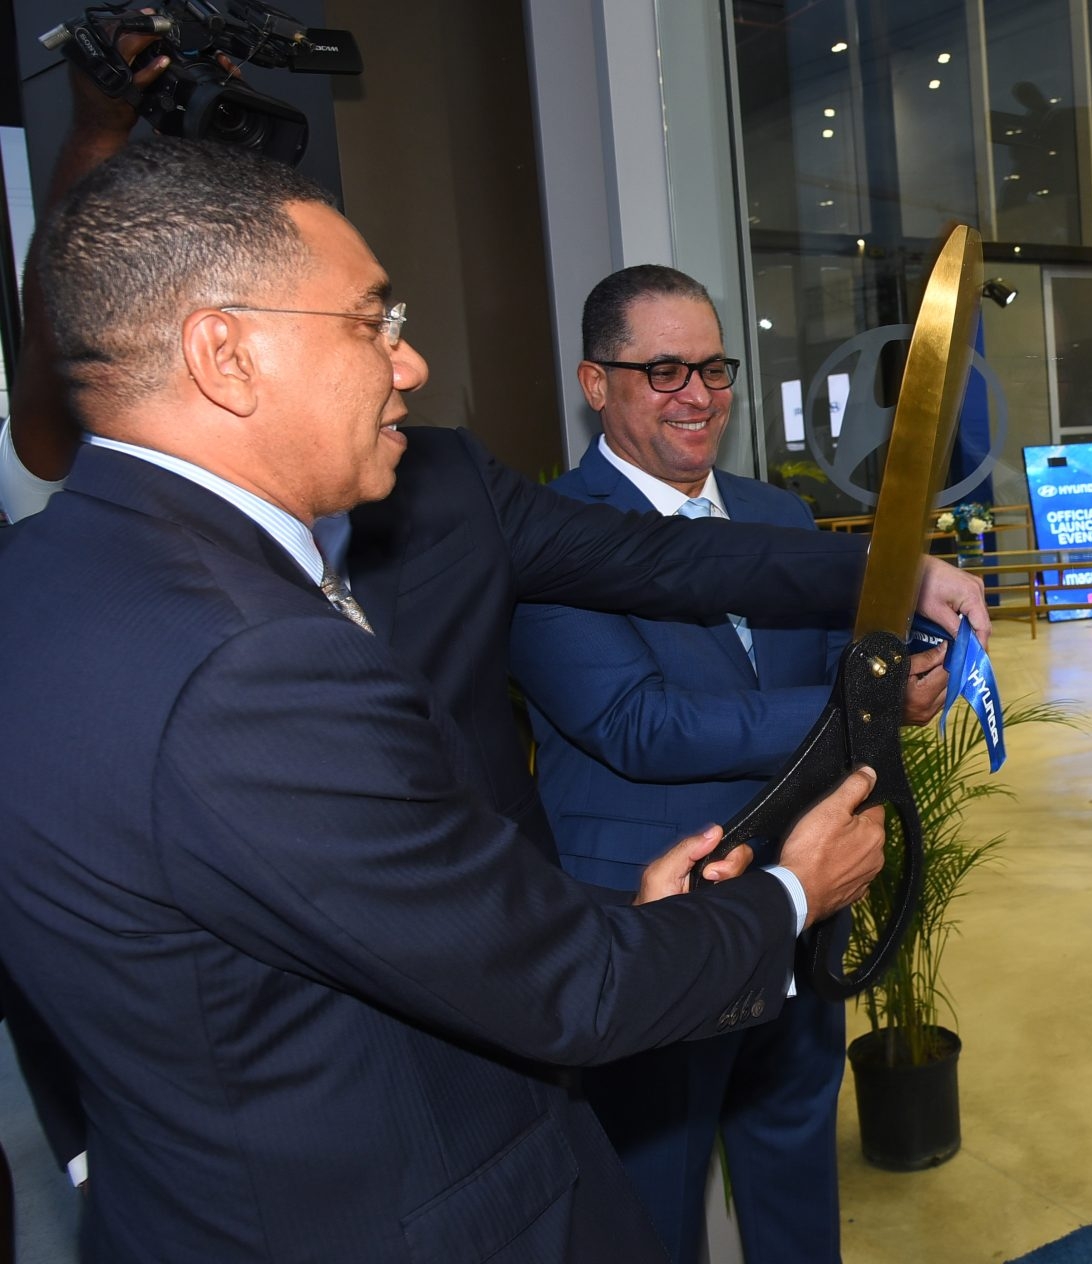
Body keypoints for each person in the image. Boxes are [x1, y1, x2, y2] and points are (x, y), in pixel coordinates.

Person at [0, 43, 990, 1197]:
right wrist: (786, 894)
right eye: (372, 321)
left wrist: (889, 569)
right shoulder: (246, 665)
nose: (410, 362)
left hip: (510, 1046)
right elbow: (554, 964)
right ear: (226, 353)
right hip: (400, 1172)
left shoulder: (435, 488)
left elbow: (659, 559)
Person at [510, 266, 934, 1261]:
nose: (696, 393)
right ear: (592, 380)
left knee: (794, 1177)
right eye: (661, 370)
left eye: (710, 366)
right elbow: (636, 722)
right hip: (652, 921)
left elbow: (836, 663)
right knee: (653, 1205)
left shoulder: (777, 521)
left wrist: (902, 672)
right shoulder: (545, 537)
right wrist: (851, 697)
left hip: (797, 901)